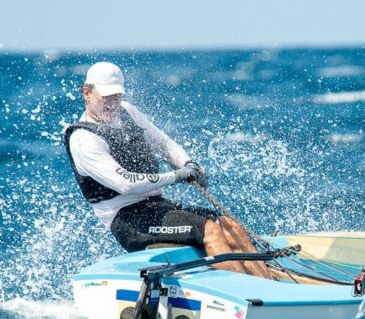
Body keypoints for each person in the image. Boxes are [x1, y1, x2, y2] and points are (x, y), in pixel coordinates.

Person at [63, 62, 271, 278]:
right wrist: (176, 176)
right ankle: (242, 293)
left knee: (228, 224)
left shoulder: (128, 112)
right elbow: (126, 184)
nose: (113, 103)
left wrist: (187, 164)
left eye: (117, 96)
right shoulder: (83, 140)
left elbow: (163, 143)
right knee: (209, 229)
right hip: (127, 219)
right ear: (87, 93)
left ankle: (268, 286)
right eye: (106, 96)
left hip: (156, 206)